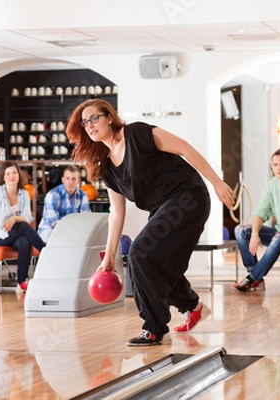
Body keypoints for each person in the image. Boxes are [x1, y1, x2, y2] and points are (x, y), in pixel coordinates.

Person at [66, 99, 235, 346]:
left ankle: (154, 328)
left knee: (140, 253)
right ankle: (192, 306)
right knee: (154, 261)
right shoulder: (105, 166)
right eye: (85, 123)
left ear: (109, 117)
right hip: (161, 209)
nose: (89, 125)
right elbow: (116, 212)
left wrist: (217, 182)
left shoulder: (137, 134)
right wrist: (109, 256)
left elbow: (185, 148)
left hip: (188, 197)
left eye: (94, 118)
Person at [233, 149, 280, 292]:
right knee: (241, 230)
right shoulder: (272, 185)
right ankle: (256, 277)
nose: (279, 168)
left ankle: (252, 278)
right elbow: (260, 212)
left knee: (279, 236)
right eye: (275, 165)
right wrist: (255, 234)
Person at [0, 161, 46, 292]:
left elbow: (28, 216)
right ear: (3, 176)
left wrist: (14, 218)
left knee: (24, 241)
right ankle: (47, 253)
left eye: (14, 172)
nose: (11, 176)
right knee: (22, 226)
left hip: (13, 234)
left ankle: (21, 282)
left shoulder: (23, 193)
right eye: (7, 173)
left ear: (18, 175)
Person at [37, 165, 91, 242]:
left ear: (79, 181)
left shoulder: (83, 196)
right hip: (51, 230)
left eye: (74, 179)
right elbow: (54, 223)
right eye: (68, 178)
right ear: (63, 180)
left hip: (73, 230)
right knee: (50, 236)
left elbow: (86, 218)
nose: (70, 182)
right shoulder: (52, 195)